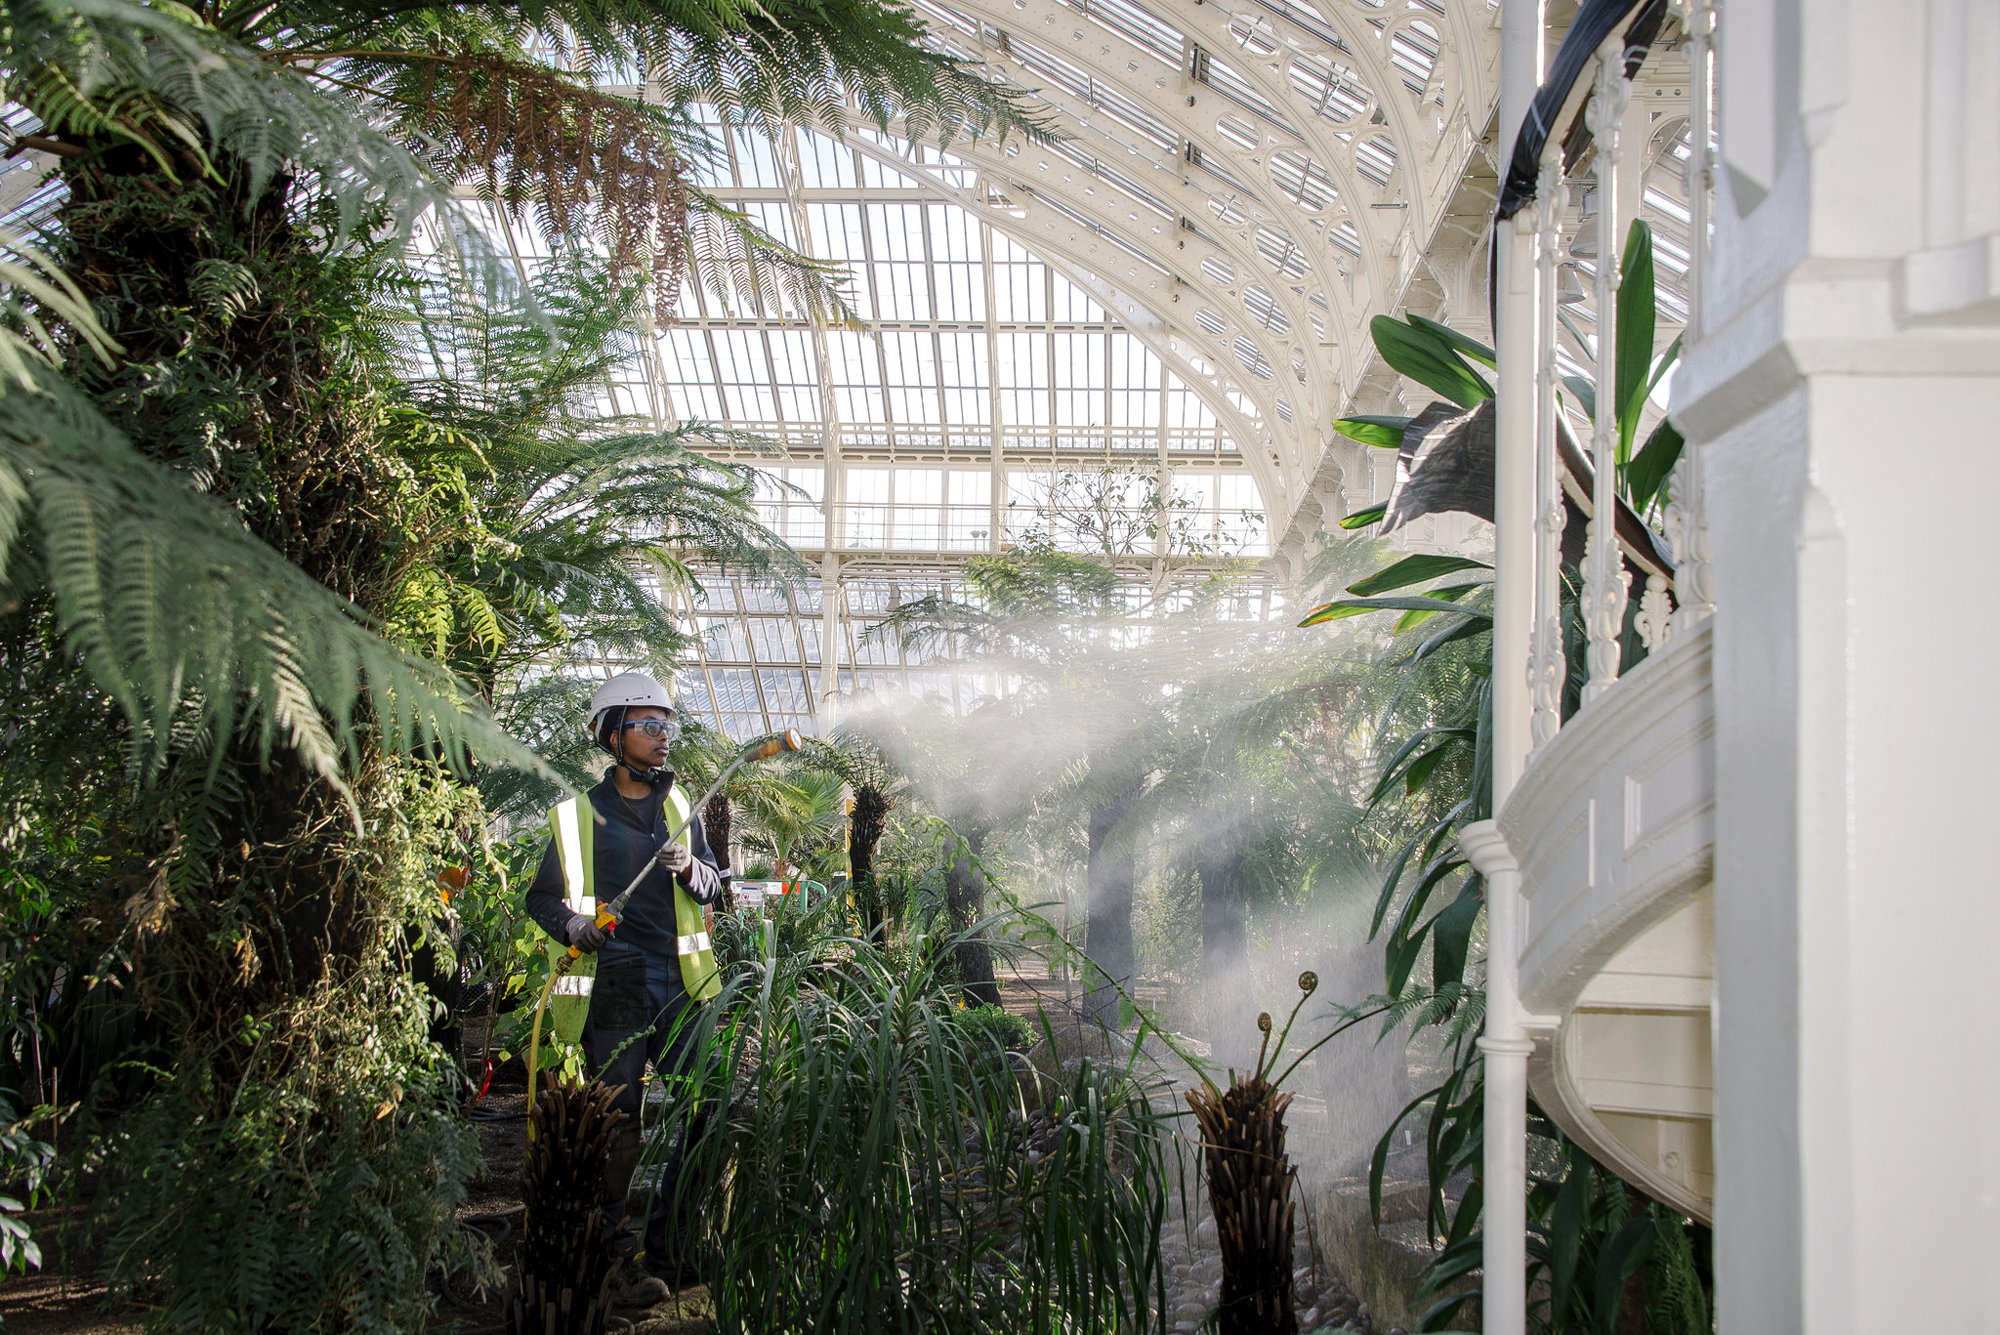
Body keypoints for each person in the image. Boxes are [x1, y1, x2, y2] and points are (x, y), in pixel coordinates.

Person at [523, 672, 724, 1305]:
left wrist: (691, 867)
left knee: (708, 1109)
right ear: (614, 735)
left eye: (670, 725)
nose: (665, 737)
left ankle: (675, 1242)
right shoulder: (578, 816)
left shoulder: (679, 807)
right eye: (649, 725)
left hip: (685, 982)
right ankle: (610, 1262)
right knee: (615, 1124)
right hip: (616, 982)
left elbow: (718, 884)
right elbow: (541, 897)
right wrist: (574, 924)